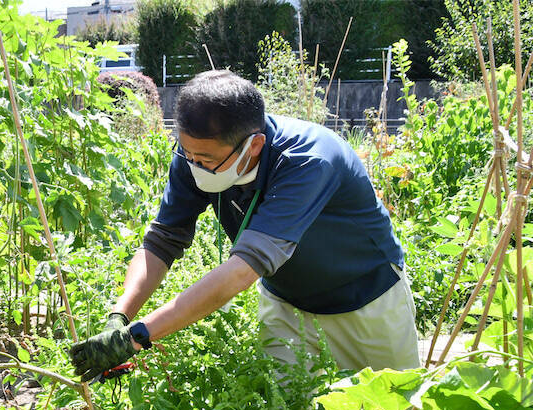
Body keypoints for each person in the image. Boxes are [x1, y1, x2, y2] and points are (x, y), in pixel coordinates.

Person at [70, 70, 420, 382]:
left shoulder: (307, 160)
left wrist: (138, 337)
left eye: (205, 159)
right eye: (188, 155)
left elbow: (243, 270)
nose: (194, 165)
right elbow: (161, 242)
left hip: (364, 298)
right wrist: (119, 318)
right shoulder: (195, 154)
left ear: (254, 145)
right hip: (286, 300)